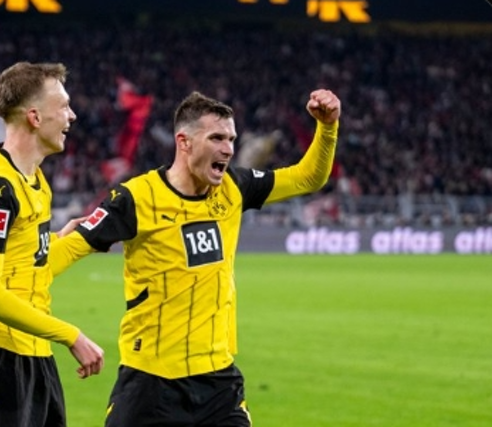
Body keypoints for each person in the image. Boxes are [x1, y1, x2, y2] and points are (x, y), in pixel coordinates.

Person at [49, 89, 341, 426]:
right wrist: (15, 281)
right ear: (184, 142)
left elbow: (308, 177)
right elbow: (67, 251)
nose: (228, 149)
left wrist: (327, 127)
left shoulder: (233, 187)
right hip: (151, 383)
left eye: (231, 139)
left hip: (218, 383)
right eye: (216, 138)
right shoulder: (135, 199)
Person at [0, 61, 105, 427]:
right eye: (63, 106)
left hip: (33, 349)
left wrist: (80, 242)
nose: (72, 116)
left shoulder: (35, 180)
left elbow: (33, 267)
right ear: (34, 116)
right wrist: (72, 336)